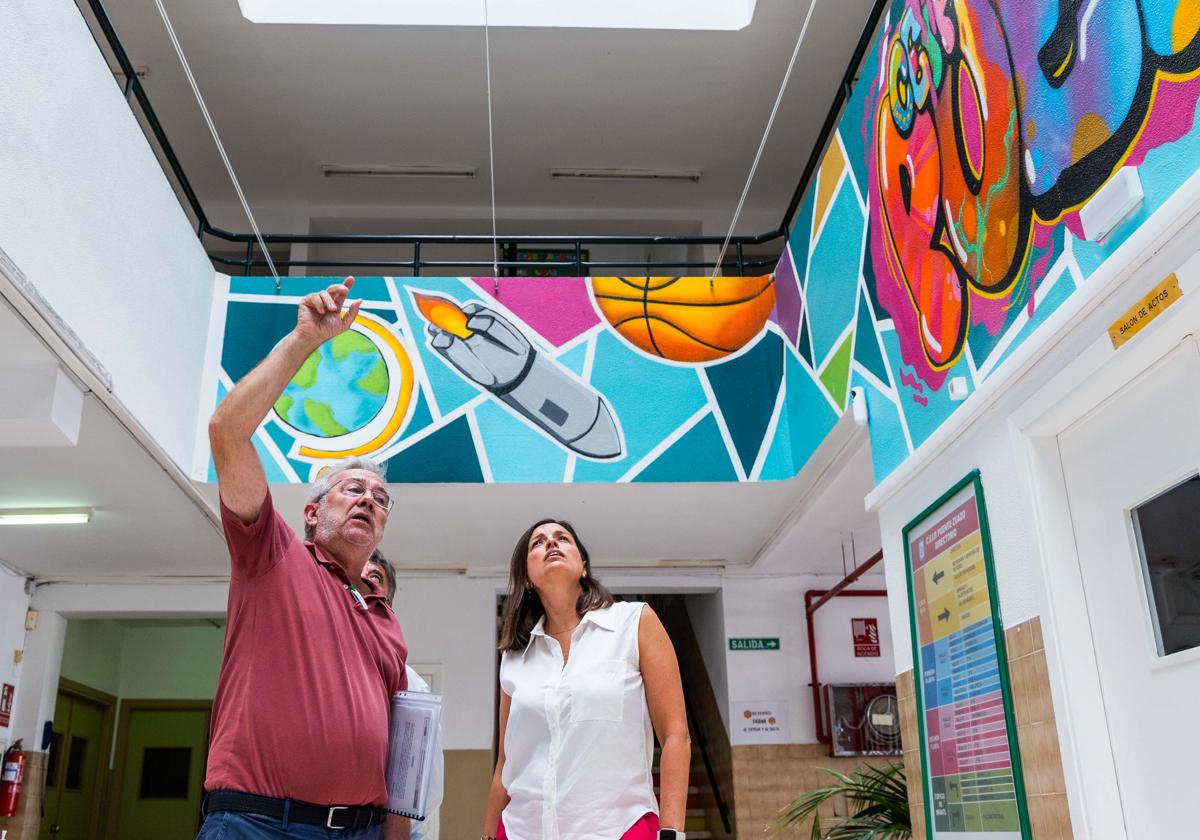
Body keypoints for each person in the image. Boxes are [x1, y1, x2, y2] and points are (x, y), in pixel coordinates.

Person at [201, 277, 408, 839]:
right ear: (312, 514)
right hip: (258, 824)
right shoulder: (271, 555)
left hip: (361, 830)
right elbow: (227, 432)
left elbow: (403, 745)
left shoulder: (384, 617)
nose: (369, 498)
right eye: (352, 489)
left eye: (381, 498)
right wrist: (303, 342)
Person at [483, 519, 691, 840]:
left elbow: (676, 734)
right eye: (537, 543)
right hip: (520, 830)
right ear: (526, 578)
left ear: (583, 565)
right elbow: (505, 766)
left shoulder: (634, 622)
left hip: (617, 829)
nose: (551, 543)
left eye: (562, 538)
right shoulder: (515, 657)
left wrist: (672, 832)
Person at [362, 554, 444, 840]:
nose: (362, 580)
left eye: (374, 577)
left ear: (387, 603)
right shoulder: (313, 668)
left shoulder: (410, 685)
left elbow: (420, 791)